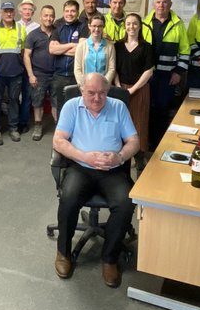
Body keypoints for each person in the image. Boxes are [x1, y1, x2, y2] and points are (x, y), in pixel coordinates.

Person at [52, 73, 140, 288]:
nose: (96, 98)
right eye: (91, 93)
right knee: (69, 198)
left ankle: (110, 259)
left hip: (112, 169)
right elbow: (58, 140)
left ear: (107, 91)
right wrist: (85, 156)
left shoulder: (118, 106)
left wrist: (119, 156)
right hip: (81, 166)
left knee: (125, 202)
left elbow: (134, 141)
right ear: (82, 91)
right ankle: (63, 253)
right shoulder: (72, 106)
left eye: (102, 93)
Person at [143, 0, 189, 150]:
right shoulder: (144, 23)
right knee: (147, 109)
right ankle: (147, 145)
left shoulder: (178, 24)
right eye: (158, 2)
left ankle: (159, 145)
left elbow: (185, 51)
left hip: (167, 77)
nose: (161, 5)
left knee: (163, 111)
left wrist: (179, 72)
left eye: (164, 2)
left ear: (170, 5)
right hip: (148, 76)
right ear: (153, 5)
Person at [114, 12, 154, 173]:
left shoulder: (147, 47)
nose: (131, 27)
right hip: (120, 88)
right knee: (121, 123)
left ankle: (139, 156)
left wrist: (133, 89)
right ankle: (123, 155)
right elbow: (113, 68)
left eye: (135, 24)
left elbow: (149, 71)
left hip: (140, 89)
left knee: (139, 123)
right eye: (128, 24)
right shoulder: (117, 46)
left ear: (140, 26)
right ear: (125, 27)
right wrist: (118, 86)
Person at [0, 1, 28, 141]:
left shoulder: (21, 28)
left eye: (11, 11)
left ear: (14, 12)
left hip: (16, 72)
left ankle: (13, 128)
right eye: (5, 11)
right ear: (1, 12)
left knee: (14, 100)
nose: (8, 13)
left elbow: (24, 51)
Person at [23, 4, 57, 140]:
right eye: (46, 15)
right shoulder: (33, 35)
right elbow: (26, 55)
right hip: (39, 74)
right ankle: (38, 125)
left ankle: (58, 127)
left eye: (51, 16)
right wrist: (31, 75)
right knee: (37, 102)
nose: (49, 18)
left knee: (56, 102)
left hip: (56, 74)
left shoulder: (58, 32)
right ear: (41, 17)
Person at [49, 0, 87, 112]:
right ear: (63, 12)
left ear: (77, 12)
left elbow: (81, 50)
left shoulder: (83, 27)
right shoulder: (58, 27)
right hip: (59, 75)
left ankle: (74, 129)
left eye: (73, 11)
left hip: (76, 75)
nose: (69, 14)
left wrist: (61, 49)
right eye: (67, 11)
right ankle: (59, 128)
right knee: (58, 105)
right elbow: (52, 49)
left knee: (76, 105)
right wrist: (71, 45)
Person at [73, 13, 116, 82]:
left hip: (103, 86)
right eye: (94, 26)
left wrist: (105, 84)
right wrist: (83, 85)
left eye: (100, 26)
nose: (96, 29)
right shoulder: (81, 46)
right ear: (89, 26)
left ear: (103, 27)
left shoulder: (110, 46)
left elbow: (111, 69)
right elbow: (77, 69)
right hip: (85, 86)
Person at [17, 0, 38, 130]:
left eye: (30, 9)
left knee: (27, 95)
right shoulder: (14, 25)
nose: (27, 11)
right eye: (24, 9)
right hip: (16, 65)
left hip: (30, 66)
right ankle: (13, 121)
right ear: (20, 11)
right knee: (14, 96)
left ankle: (23, 122)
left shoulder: (37, 27)